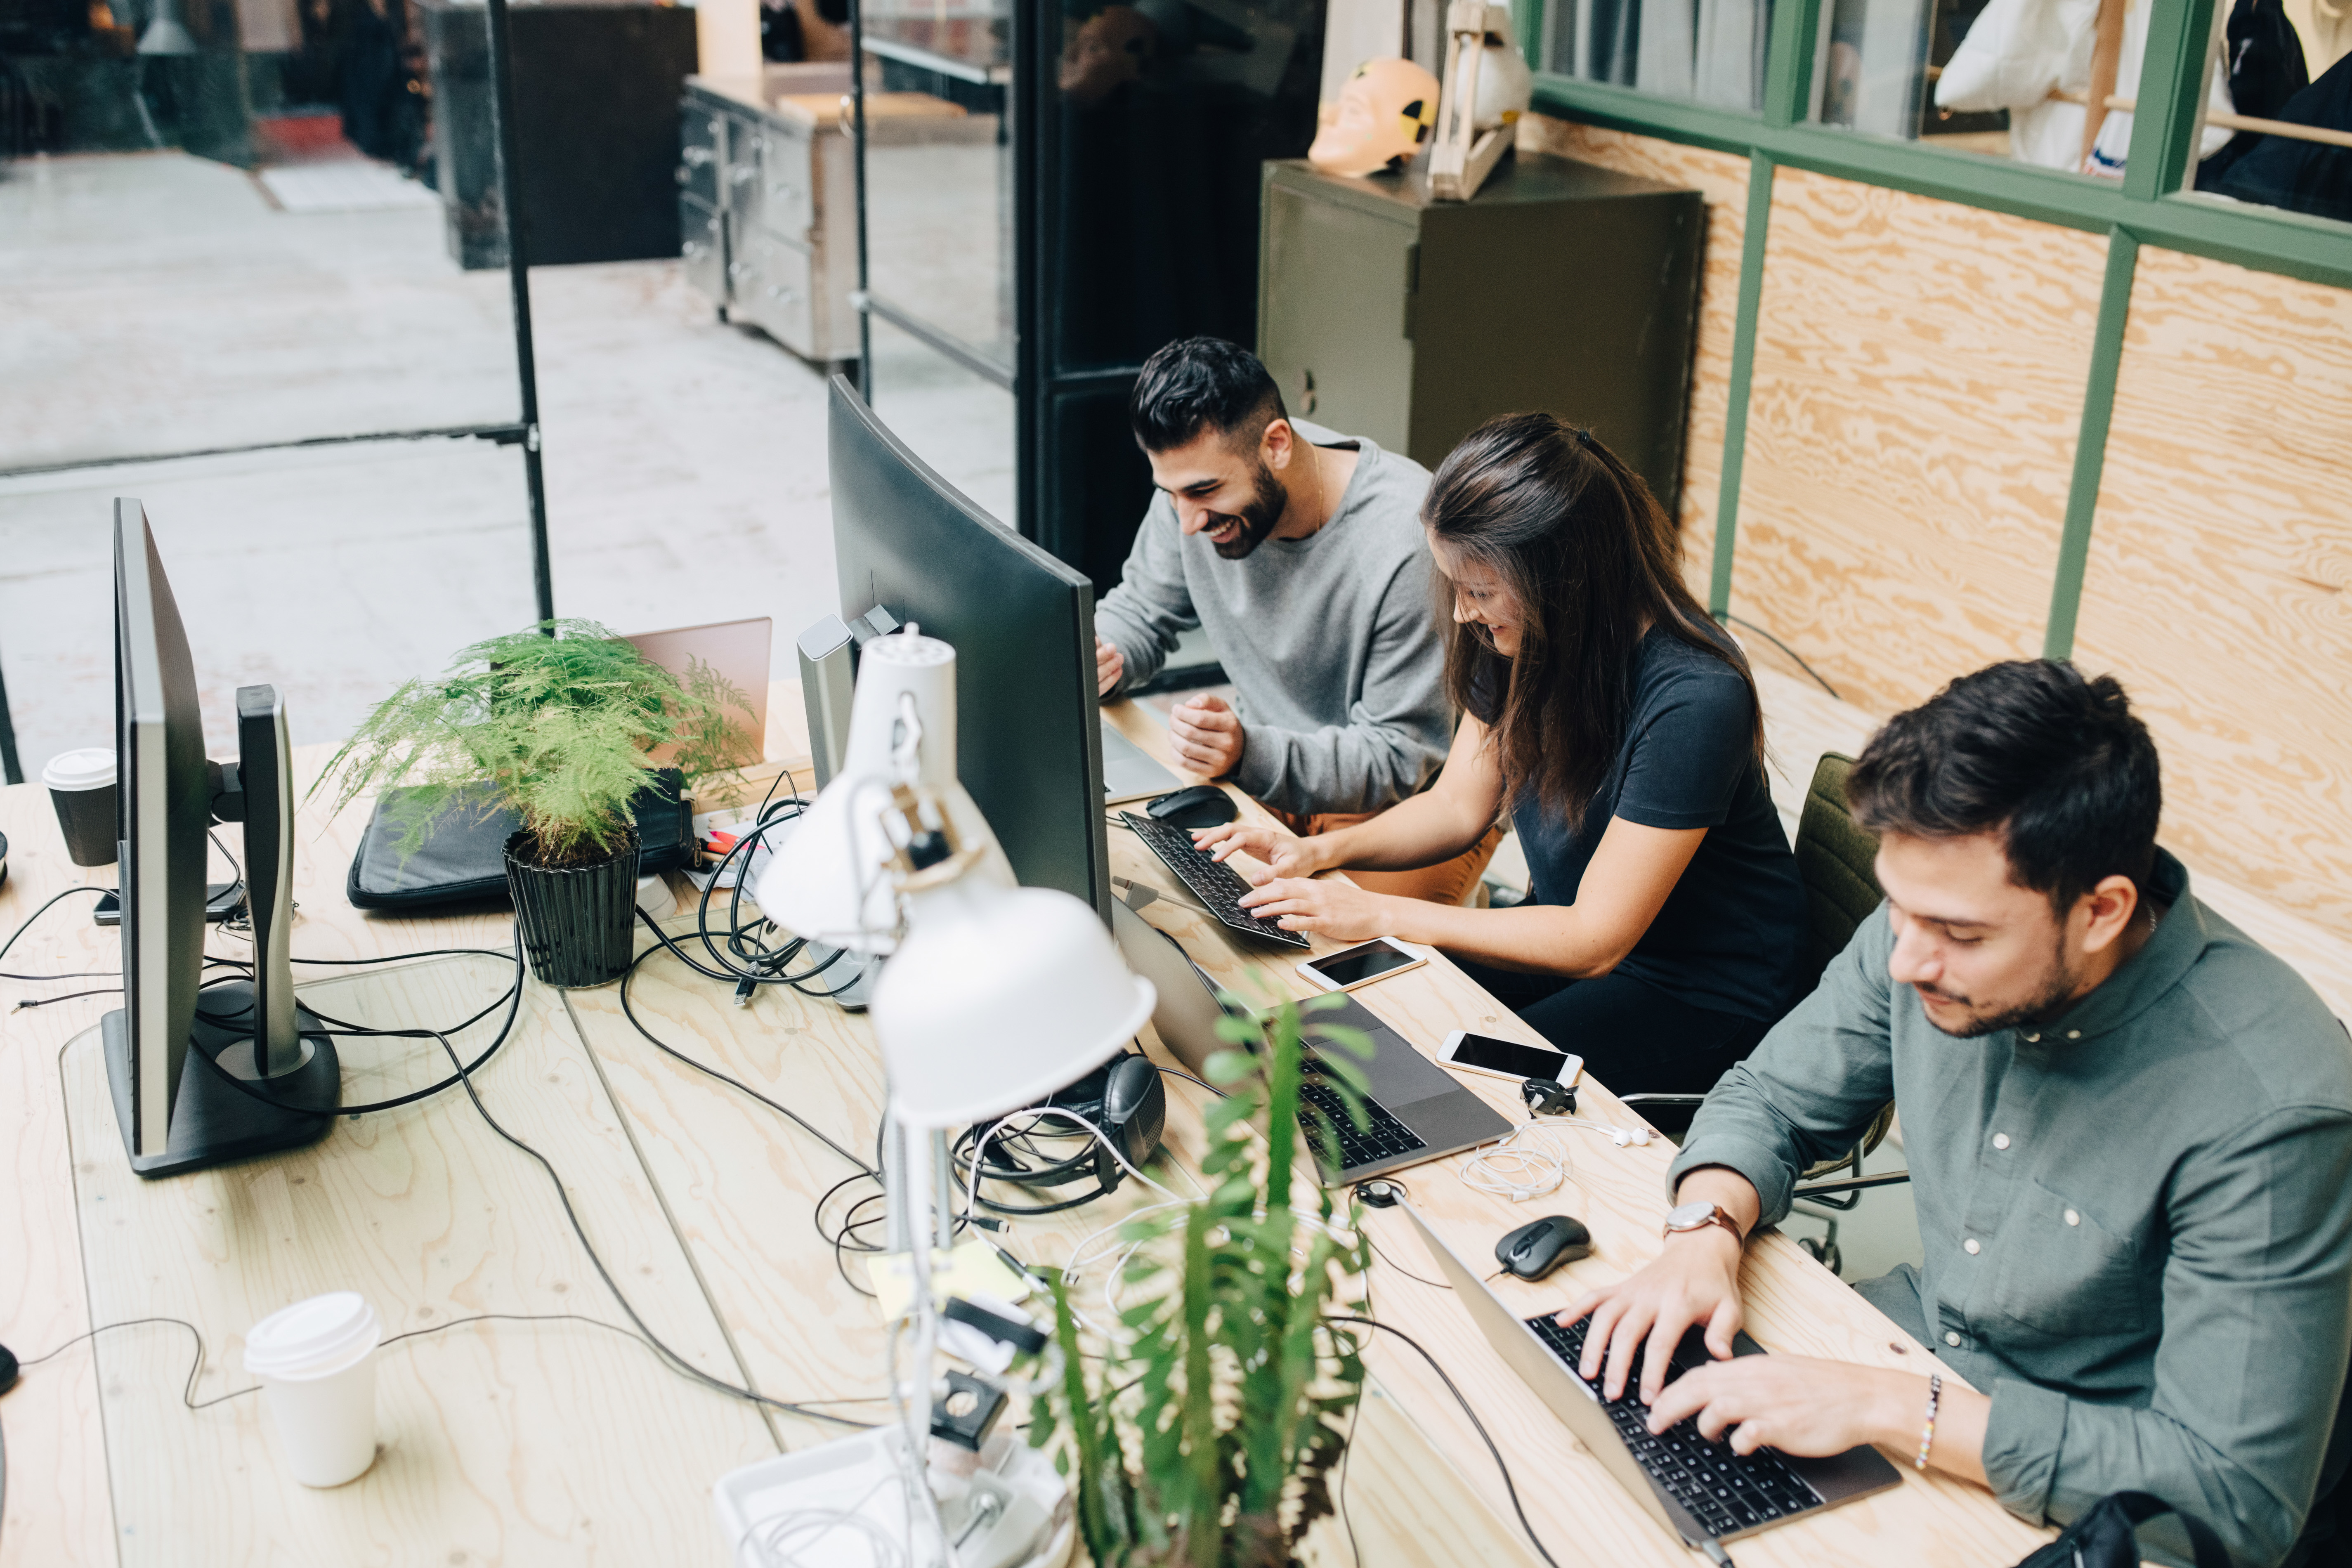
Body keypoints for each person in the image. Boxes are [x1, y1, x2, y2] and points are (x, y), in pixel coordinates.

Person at [1562, 659, 2352, 1568]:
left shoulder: (2271, 1101)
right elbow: (1772, 1095)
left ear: (2101, 911)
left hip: (2095, 1503)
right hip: (1908, 1357)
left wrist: (1894, 1408)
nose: (1906, 961)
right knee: (1599, 1481)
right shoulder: (1927, 922)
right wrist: (1703, 1230)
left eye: (1961, 936)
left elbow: (2232, 1494)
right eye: (1900, 911)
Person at [1202, 412, 1809, 1096]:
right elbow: (1458, 806)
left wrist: (1380, 913)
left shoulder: (1696, 698)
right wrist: (1316, 855)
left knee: (1447, 1080)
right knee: (1354, 1024)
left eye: (1480, 591)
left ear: (1563, 580)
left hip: (1701, 989)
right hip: (1568, 935)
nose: (1463, 612)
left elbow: (1594, 940)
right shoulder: (1524, 639)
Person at [1095, 337, 1495, 904]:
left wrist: (1247, 753)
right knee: (1154, 895)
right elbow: (1140, 609)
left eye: (1204, 492)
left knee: (1341, 965)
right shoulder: (1196, 482)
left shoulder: (1409, 540)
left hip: (1407, 807)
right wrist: (1102, 653)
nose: (1187, 522)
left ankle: (1466, 896)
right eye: (1171, 495)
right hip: (1271, 770)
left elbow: (1399, 753)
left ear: (1278, 445)